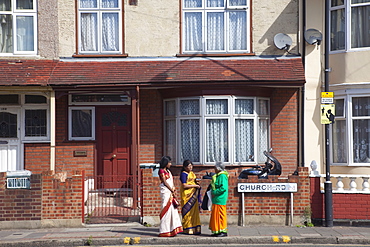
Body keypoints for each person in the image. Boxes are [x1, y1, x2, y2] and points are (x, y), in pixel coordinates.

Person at [158, 156, 183, 237]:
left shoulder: (168, 171)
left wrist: (173, 190)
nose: (170, 164)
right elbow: (165, 182)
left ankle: (172, 229)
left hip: (171, 192)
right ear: (165, 163)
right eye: (169, 162)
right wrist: (171, 190)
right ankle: (164, 230)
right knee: (166, 210)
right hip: (166, 192)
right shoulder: (161, 171)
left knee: (173, 211)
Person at [179, 160, 201, 235]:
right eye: (189, 166)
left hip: (193, 194)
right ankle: (188, 228)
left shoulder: (192, 173)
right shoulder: (183, 174)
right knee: (187, 211)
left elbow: (193, 182)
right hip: (187, 195)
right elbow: (184, 185)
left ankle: (195, 227)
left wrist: (197, 183)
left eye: (191, 165)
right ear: (185, 167)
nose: (190, 167)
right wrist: (195, 186)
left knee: (194, 212)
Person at [209, 161, 229, 237]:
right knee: (216, 215)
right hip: (217, 199)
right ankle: (217, 230)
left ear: (218, 168)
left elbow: (223, 188)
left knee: (220, 215)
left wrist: (215, 192)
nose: (214, 169)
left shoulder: (222, 176)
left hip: (220, 198)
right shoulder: (219, 175)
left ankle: (223, 230)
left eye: (215, 168)